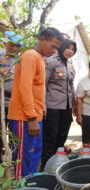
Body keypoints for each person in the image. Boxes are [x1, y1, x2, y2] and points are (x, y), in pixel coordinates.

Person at [8, 27, 63, 178]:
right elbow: (25, 88)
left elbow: (37, 87)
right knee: (23, 159)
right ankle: (22, 186)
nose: (54, 51)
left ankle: (32, 183)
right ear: (42, 39)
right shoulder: (30, 56)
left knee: (33, 155)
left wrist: (40, 109)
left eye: (56, 48)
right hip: (24, 117)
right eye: (53, 46)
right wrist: (31, 117)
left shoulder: (40, 58)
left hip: (34, 116)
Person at [41, 39, 77, 170]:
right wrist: (43, 104)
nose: (70, 51)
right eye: (67, 48)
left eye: (72, 49)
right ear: (61, 48)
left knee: (62, 137)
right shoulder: (50, 62)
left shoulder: (70, 65)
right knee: (50, 138)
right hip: (52, 107)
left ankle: (58, 166)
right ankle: (45, 167)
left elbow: (71, 86)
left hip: (66, 107)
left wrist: (74, 104)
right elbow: (43, 85)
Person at [0, 31, 23, 163]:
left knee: (15, 134)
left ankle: (14, 160)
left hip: (16, 104)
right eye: (12, 45)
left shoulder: (22, 60)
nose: (15, 48)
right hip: (1, 103)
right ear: (5, 43)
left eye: (18, 46)